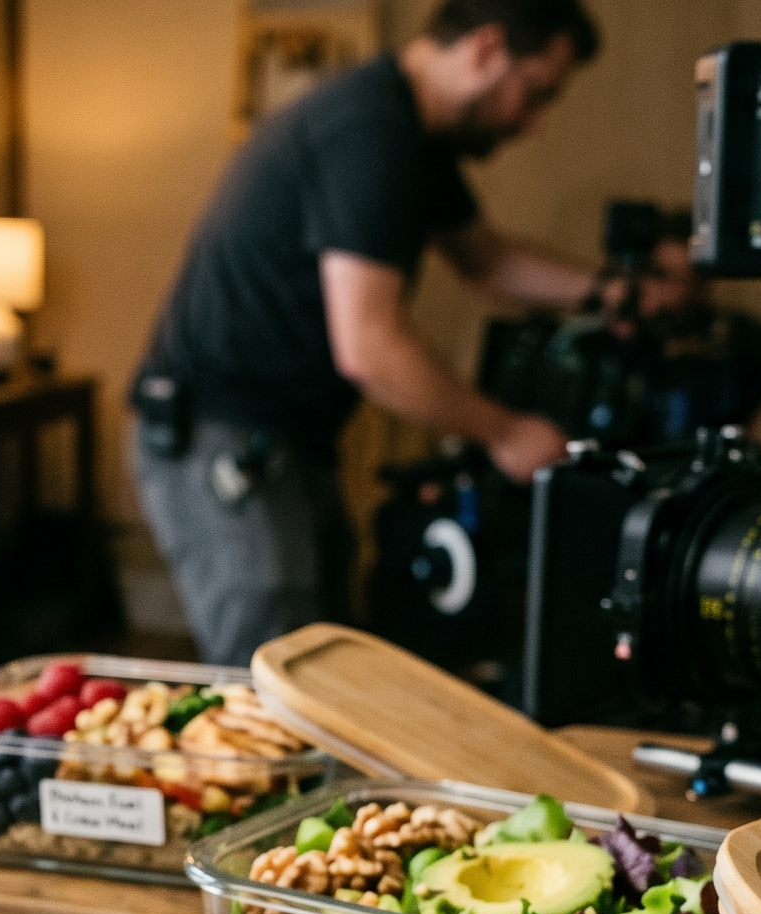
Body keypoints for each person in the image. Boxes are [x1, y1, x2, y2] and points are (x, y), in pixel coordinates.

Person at [131, 0, 602, 666]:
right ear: (485, 50)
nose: (534, 123)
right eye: (534, 93)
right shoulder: (368, 130)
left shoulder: (413, 137)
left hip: (289, 440)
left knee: (326, 665)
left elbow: (488, 262)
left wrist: (617, 291)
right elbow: (370, 350)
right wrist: (505, 433)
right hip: (222, 432)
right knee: (273, 674)